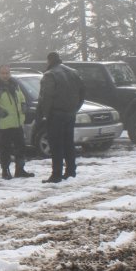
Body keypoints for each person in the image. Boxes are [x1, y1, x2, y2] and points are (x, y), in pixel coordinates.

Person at [35, 52, 85, 183]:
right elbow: (82, 93)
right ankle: (71, 171)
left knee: (56, 145)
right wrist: (75, 109)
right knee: (69, 143)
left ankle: (56, 175)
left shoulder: (50, 75)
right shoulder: (73, 72)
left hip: (56, 114)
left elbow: (46, 97)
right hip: (70, 114)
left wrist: (45, 114)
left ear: (49, 60)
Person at [0, 65, 33, 179]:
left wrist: (23, 105)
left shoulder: (15, 85)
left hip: (17, 123)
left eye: (7, 73)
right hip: (4, 125)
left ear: (10, 73)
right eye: (3, 73)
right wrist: (2, 113)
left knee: (21, 148)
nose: (5, 75)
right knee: (5, 150)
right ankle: (5, 171)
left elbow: (22, 98)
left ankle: (20, 170)